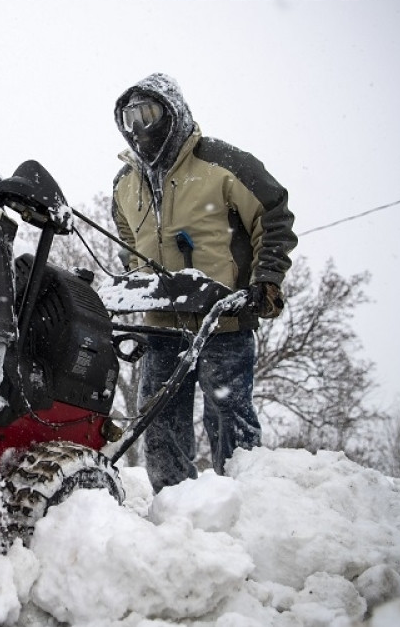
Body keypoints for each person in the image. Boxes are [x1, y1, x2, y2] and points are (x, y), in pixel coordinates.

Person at [111, 73, 297, 491]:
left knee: (229, 415)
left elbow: (273, 216)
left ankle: (246, 504)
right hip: (160, 322)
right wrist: (135, 281)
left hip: (223, 320)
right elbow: (128, 239)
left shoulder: (223, 165)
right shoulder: (125, 184)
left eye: (150, 111)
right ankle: (175, 510)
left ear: (173, 111)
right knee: (158, 423)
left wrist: (266, 278)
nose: (141, 124)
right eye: (131, 116)